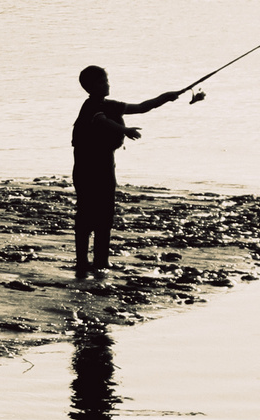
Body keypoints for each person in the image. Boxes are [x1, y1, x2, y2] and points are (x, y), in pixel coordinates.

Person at [71, 66, 180, 273]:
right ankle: (82, 261)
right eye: (102, 81)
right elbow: (102, 122)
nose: (107, 84)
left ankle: (101, 260)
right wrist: (125, 130)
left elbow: (141, 107)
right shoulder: (90, 107)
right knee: (86, 215)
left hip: (105, 168)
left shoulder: (110, 105)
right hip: (87, 170)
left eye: (106, 80)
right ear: (91, 86)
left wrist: (165, 97)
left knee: (105, 215)